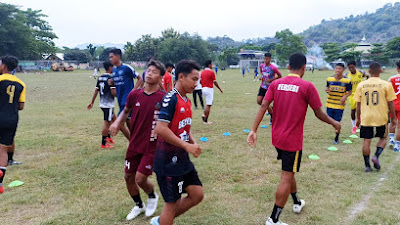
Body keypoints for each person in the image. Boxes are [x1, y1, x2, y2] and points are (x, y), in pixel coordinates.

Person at [247, 53, 341, 225]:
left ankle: (296, 202)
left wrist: (253, 130)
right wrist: (335, 122)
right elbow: (319, 113)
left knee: (289, 172)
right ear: (304, 68)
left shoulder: (275, 83)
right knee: (286, 176)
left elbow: (263, 106)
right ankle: (273, 219)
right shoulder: (307, 86)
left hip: (277, 139)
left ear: (288, 67)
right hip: (292, 141)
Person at [109, 60, 166, 220]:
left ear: (161, 77)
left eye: (155, 72)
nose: (149, 73)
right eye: (148, 70)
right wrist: (117, 122)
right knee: (128, 177)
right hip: (134, 143)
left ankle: (152, 195)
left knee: (140, 179)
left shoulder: (163, 98)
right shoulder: (135, 95)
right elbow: (125, 111)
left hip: (152, 145)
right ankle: (139, 205)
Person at [150, 60, 204, 225]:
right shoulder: (170, 98)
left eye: (198, 80)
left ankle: (162, 221)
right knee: (171, 205)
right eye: (194, 79)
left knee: (197, 194)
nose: (197, 84)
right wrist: (187, 145)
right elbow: (161, 128)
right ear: (181, 77)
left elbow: (182, 127)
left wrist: (191, 140)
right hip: (168, 162)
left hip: (182, 159)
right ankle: (164, 220)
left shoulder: (186, 100)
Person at [354, 62, 397, 172]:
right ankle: (376, 156)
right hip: (381, 117)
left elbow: (358, 104)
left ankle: (367, 166)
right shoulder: (386, 84)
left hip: (366, 117)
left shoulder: (361, 85)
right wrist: (394, 118)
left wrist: (358, 118)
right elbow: (391, 103)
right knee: (383, 138)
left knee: (366, 141)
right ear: (380, 70)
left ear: (369, 71)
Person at [87, 62, 129, 148]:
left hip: (102, 104)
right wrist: (123, 95)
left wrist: (92, 102)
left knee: (114, 119)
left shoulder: (101, 77)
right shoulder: (110, 78)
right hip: (108, 104)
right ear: (110, 68)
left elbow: (96, 90)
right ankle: (103, 143)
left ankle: (108, 137)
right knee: (107, 123)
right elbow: (113, 93)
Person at [0, 56, 26, 194]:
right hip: (11, 119)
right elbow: (21, 106)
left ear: (3, 66)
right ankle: (0, 184)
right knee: (3, 150)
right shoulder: (21, 84)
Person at [109, 48, 143, 129]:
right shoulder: (114, 70)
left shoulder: (126, 68)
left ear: (118, 56)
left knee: (119, 123)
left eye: (112, 57)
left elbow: (140, 79)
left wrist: (133, 90)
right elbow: (118, 83)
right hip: (120, 100)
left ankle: (133, 140)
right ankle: (134, 139)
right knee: (128, 121)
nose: (110, 59)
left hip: (127, 100)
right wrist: (112, 83)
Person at [326, 63, 352, 144]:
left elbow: (350, 92)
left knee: (337, 122)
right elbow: (327, 88)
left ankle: (336, 138)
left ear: (343, 70)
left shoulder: (347, 80)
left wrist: (345, 97)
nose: (337, 70)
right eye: (336, 68)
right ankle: (337, 129)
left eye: (340, 69)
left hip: (339, 105)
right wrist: (327, 90)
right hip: (329, 103)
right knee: (329, 120)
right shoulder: (329, 79)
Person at [345, 61, 369, 134]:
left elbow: (367, 76)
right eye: (349, 68)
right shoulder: (346, 75)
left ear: (355, 66)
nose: (351, 69)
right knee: (353, 110)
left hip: (361, 93)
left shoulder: (361, 72)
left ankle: (361, 124)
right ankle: (354, 126)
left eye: (352, 67)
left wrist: (366, 83)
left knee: (362, 110)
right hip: (351, 94)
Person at [258, 53, 282, 125]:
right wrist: (262, 78)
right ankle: (271, 110)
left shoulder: (273, 68)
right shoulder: (262, 66)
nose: (265, 60)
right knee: (259, 101)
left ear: (270, 59)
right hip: (262, 86)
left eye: (267, 59)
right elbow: (262, 72)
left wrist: (271, 80)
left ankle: (272, 115)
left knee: (264, 103)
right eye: (264, 59)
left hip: (270, 88)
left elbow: (280, 76)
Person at [201, 60, 223, 124]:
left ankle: (203, 115)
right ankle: (205, 120)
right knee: (209, 105)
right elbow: (214, 82)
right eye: (211, 64)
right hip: (209, 89)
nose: (212, 65)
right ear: (209, 65)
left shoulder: (202, 72)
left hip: (203, 88)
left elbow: (200, 81)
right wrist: (219, 88)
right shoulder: (211, 72)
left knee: (207, 104)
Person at [388, 60, 400, 151]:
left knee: (392, 122)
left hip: (393, 104)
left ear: (397, 68)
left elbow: (387, 92)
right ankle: (397, 146)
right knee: (399, 126)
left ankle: (391, 140)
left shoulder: (391, 78)